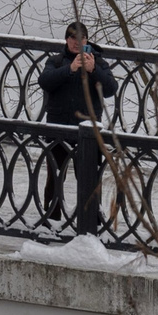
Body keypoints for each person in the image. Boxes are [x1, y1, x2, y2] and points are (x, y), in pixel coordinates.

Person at [37, 20, 117, 221]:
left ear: (87, 40)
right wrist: (70, 69)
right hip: (59, 127)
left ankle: (90, 221)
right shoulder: (56, 61)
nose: (77, 43)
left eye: (81, 38)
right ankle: (52, 219)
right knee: (55, 177)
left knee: (88, 177)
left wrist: (93, 71)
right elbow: (45, 82)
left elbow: (110, 89)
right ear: (66, 39)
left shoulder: (98, 62)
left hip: (88, 131)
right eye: (73, 38)